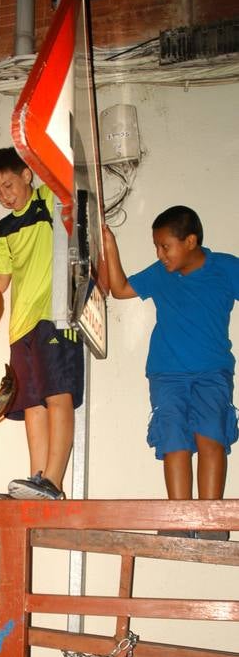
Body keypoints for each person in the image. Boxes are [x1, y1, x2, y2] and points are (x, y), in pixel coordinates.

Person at [0, 146, 84, 500]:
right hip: (21, 323)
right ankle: (36, 481)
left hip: (56, 312)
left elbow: (65, 174)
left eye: (8, 185)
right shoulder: (4, 226)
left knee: (59, 395)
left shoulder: (49, 199)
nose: (4, 195)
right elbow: (1, 280)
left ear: (27, 175)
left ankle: (53, 483)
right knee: (31, 404)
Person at [103, 205, 239, 538]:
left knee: (211, 439)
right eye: (156, 247)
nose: (160, 254)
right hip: (167, 373)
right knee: (174, 441)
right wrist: (109, 246)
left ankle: (210, 523)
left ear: (190, 241)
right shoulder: (161, 274)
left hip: (213, 372)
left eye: (165, 246)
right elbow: (120, 290)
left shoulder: (225, 268)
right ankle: (179, 519)